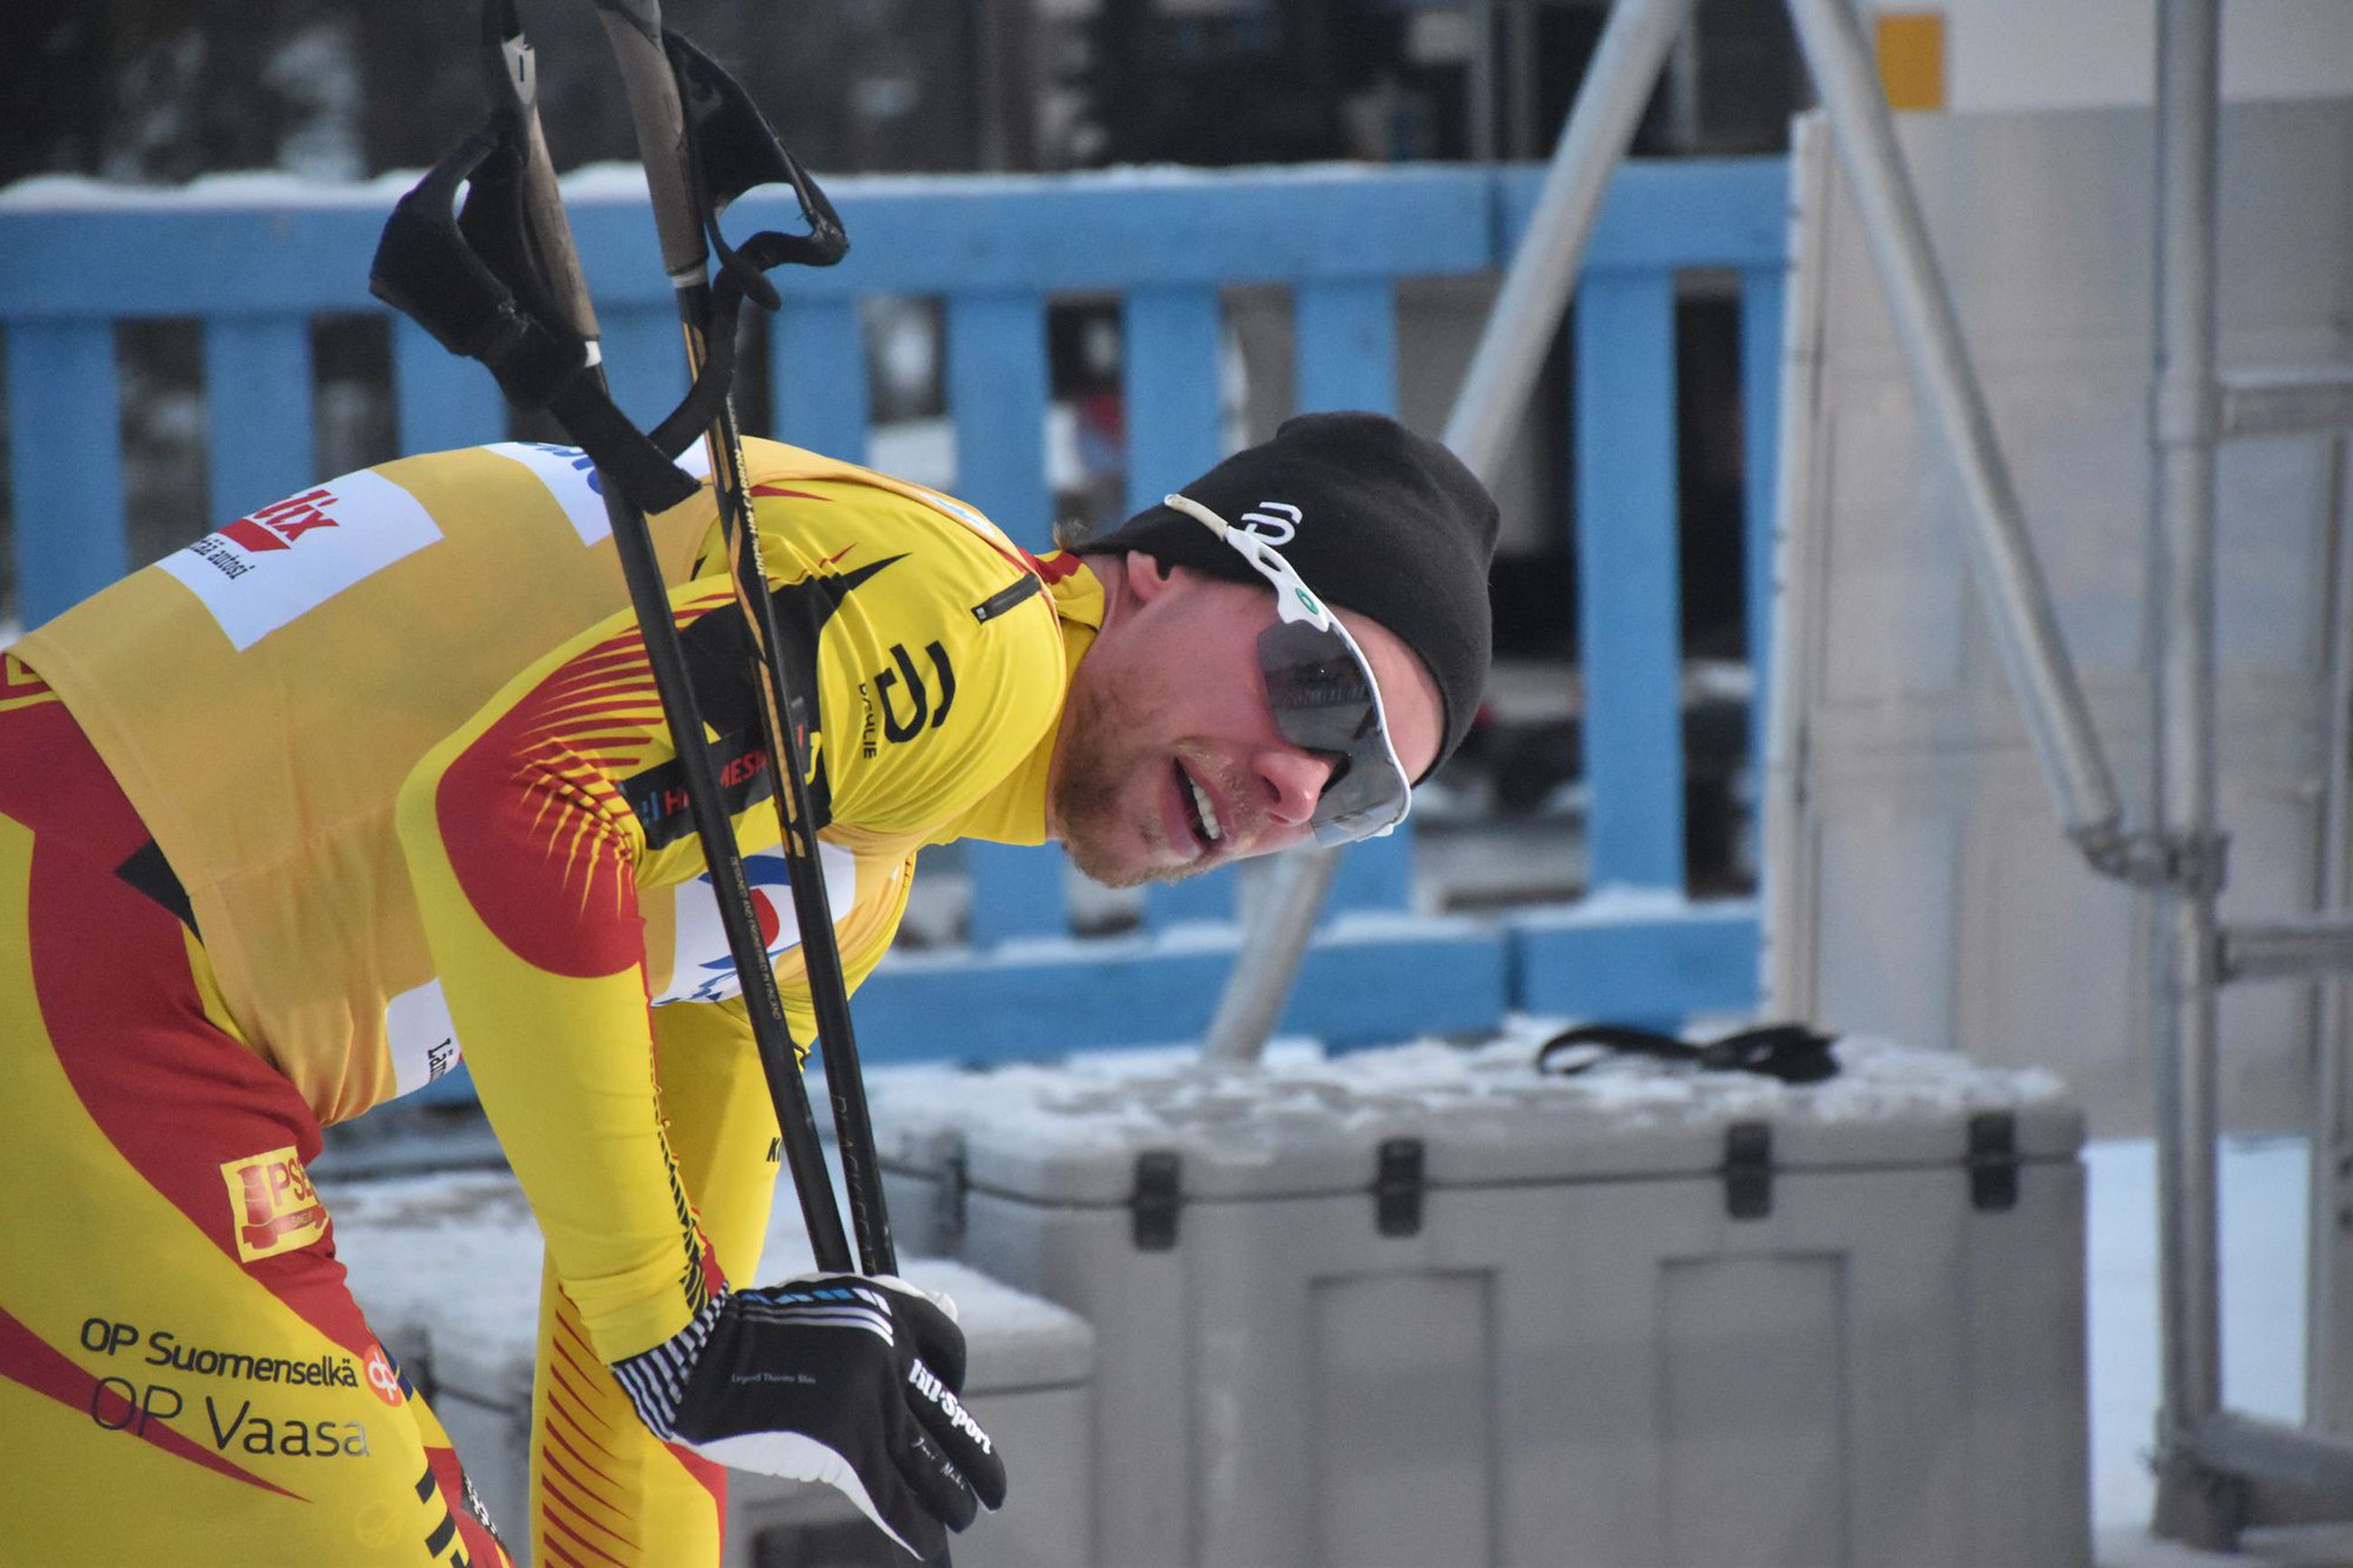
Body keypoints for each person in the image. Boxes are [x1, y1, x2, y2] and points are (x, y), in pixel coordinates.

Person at [0, 409, 1497, 1565]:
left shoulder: (864, 847)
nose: (1299, 784)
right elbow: (518, 807)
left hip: (98, 983)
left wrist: (679, 1337)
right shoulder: (972, 645)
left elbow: (648, 1312)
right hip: (97, 991)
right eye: (1316, 685)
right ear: (1163, 564)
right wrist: (675, 1322)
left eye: (1364, 786)